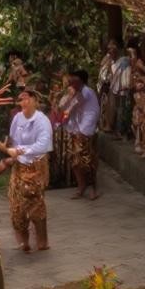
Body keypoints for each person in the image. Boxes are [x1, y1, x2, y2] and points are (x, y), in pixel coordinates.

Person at [0, 89, 53, 252]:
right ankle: (24, 241)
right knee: (16, 204)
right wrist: (12, 153)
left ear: (35, 101)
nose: (23, 103)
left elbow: (43, 145)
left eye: (27, 99)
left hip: (36, 166)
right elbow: (13, 140)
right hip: (19, 165)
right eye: (20, 100)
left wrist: (21, 151)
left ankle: (42, 242)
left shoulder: (42, 121)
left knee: (34, 201)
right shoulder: (17, 118)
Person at [64, 69, 102, 200]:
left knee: (87, 160)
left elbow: (90, 112)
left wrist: (83, 130)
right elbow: (69, 110)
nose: (69, 82)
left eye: (72, 79)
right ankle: (81, 187)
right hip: (77, 129)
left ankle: (94, 188)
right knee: (75, 160)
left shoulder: (86, 92)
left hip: (85, 131)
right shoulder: (77, 92)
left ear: (79, 80)